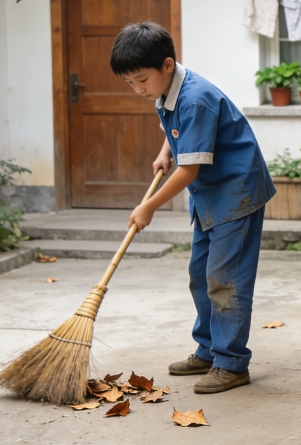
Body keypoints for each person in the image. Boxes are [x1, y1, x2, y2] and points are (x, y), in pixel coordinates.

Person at [109, 22, 276, 394]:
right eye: (130, 84)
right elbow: (178, 132)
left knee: (225, 279)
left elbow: (191, 168)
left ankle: (231, 362)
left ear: (167, 65)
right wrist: (165, 149)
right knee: (200, 275)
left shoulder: (195, 97)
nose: (138, 90)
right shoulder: (167, 88)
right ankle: (208, 349)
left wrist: (148, 205)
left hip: (236, 193)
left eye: (141, 80)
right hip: (210, 196)